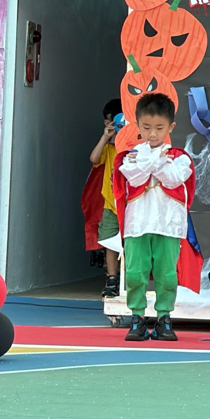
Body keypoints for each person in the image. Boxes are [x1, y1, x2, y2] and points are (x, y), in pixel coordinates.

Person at [111, 93, 198, 342]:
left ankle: (164, 318)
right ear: (137, 125)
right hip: (137, 225)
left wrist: (152, 162)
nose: (152, 134)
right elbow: (134, 176)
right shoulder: (129, 156)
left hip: (168, 225)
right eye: (146, 127)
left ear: (170, 127)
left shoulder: (180, 158)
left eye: (159, 128)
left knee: (167, 275)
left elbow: (174, 179)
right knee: (135, 273)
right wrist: (157, 161)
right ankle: (137, 318)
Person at [84, 99, 122, 297]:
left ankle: (128, 279)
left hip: (130, 205)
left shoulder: (133, 146)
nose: (109, 125)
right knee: (109, 241)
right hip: (110, 204)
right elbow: (94, 159)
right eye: (107, 122)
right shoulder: (108, 148)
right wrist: (105, 138)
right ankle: (112, 279)